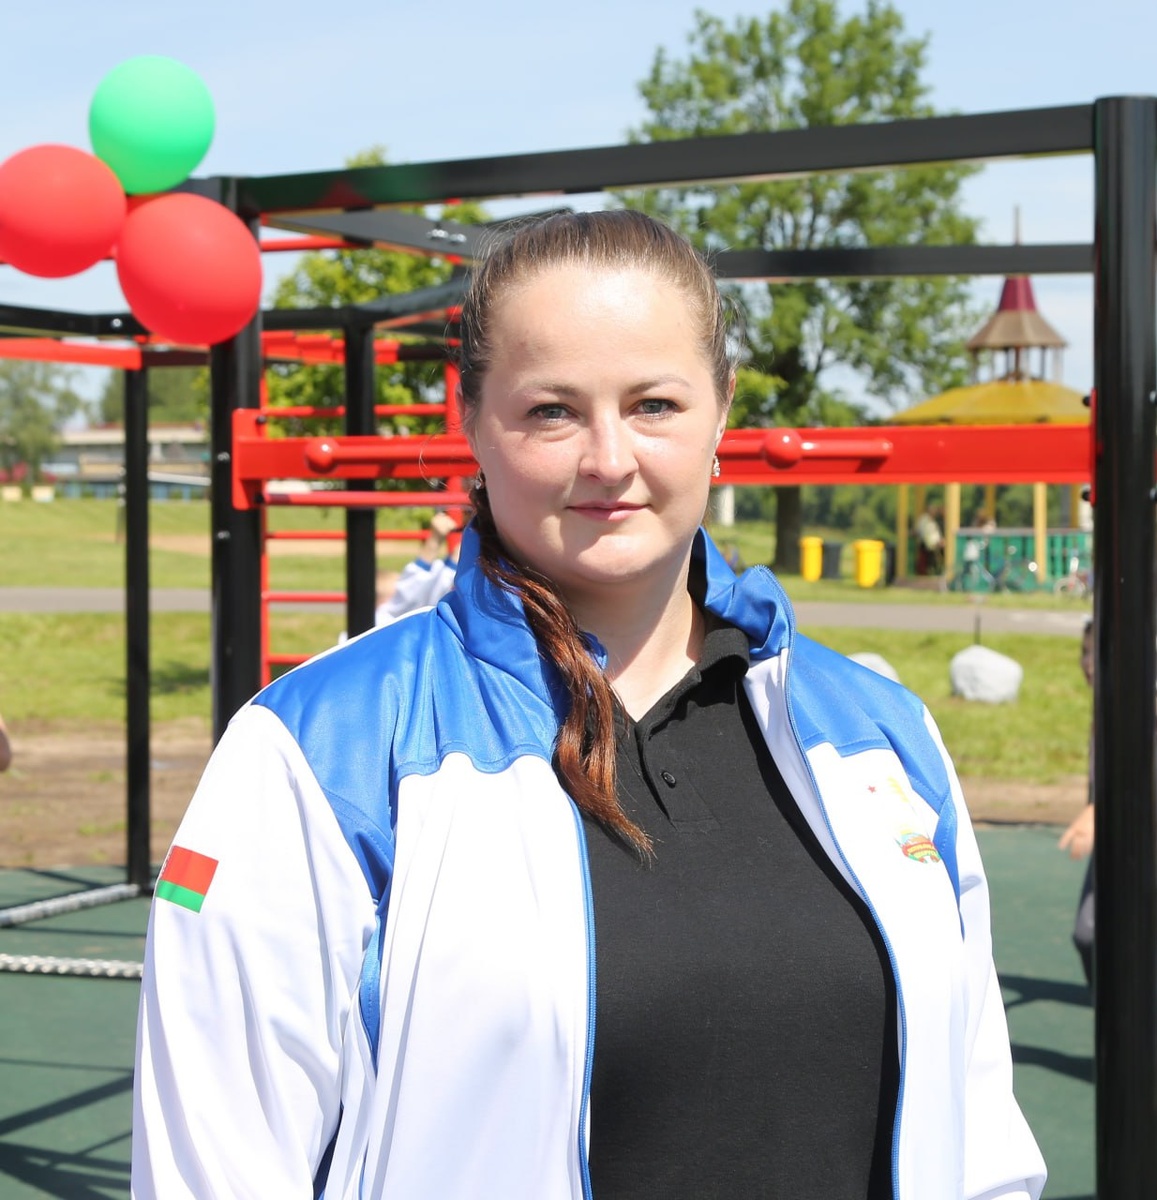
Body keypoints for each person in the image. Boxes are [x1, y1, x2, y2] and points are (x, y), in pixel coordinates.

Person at [133, 211, 1045, 1199]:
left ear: (721, 410)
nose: (608, 459)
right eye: (551, 412)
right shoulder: (320, 748)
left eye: (653, 404)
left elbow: (975, 1135)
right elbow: (215, 1166)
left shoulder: (878, 734)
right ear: (470, 420)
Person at [1059, 617, 1096, 986]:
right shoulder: (1104, 706)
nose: (1088, 663)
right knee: (1088, 935)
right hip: (1117, 840)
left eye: (1098, 653)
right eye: (1084, 652)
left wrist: (1097, 811)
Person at [374, 510, 459, 626]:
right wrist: (435, 539)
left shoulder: (416, 609)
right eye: (401, 584)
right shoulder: (386, 615)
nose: (404, 586)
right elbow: (410, 587)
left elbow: (438, 582)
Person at [914, 500, 945, 575]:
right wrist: (935, 542)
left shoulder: (932, 521)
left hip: (932, 545)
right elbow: (925, 534)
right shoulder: (924, 520)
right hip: (927, 546)